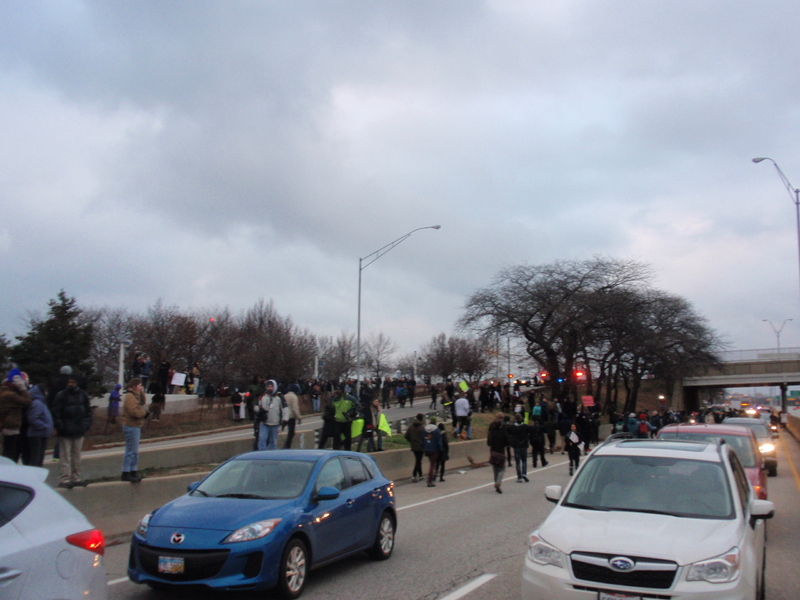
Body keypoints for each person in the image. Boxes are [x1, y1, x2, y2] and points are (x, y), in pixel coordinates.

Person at [51, 376, 93, 488]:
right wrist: (61, 427)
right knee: (65, 456)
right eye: (69, 382)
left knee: (77, 456)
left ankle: (76, 478)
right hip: (65, 432)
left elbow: (88, 412)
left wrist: (86, 425)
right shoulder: (61, 395)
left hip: (79, 431)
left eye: (73, 382)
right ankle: (64, 479)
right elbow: (56, 413)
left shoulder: (83, 395)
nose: (71, 384)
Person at [0, 368, 32, 461]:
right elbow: (28, 401)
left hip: (5, 425)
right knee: (10, 455)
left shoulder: (3, 392)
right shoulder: (11, 395)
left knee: (7, 453)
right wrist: (22, 388)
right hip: (11, 426)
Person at [121, 378, 148, 483]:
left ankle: (133, 470)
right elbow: (135, 411)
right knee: (131, 450)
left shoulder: (135, 396)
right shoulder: (129, 397)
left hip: (136, 426)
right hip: (131, 425)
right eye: (140, 385)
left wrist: (141, 393)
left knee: (135, 451)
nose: (142, 387)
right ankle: (126, 472)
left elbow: (142, 402)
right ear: (134, 386)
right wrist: (144, 413)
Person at [24, 383, 52, 467]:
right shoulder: (37, 403)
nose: (47, 393)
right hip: (36, 434)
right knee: (36, 459)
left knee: (39, 459)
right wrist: (44, 426)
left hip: (41, 434)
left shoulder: (41, 402)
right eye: (45, 391)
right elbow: (33, 419)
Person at [257, 380, 288, 451]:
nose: (270, 388)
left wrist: (285, 420)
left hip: (275, 423)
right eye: (268, 387)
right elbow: (257, 406)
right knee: (262, 438)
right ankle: (261, 454)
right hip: (265, 423)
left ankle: (271, 455)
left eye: (271, 387)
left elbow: (285, 408)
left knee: (273, 441)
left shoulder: (279, 397)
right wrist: (260, 411)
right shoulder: (263, 396)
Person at [487, 413, 510, 494]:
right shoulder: (503, 432)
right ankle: (498, 482)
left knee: (495, 469)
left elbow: (488, 443)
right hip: (501, 452)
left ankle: (496, 483)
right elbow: (507, 442)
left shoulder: (491, 432)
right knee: (502, 469)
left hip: (493, 451)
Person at [509, 412, 531, 482]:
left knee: (517, 462)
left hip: (516, 446)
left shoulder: (512, 427)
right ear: (521, 419)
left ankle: (519, 476)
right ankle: (524, 473)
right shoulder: (525, 426)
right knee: (524, 460)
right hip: (524, 445)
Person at [422, 416, 443, 487]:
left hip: (427, 449)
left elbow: (422, 440)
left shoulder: (425, 430)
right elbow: (439, 441)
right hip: (434, 449)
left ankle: (430, 477)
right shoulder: (437, 430)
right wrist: (441, 449)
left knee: (431, 463)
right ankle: (430, 480)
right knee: (432, 465)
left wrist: (424, 447)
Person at [404, 413, 425, 482]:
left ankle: (421, 475)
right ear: (421, 419)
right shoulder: (422, 427)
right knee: (418, 461)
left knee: (418, 460)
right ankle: (414, 475)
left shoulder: (411, 426)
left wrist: (411, 441)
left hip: (413, 446)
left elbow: (406, 436)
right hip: (421, 446)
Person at [282, 383, 302, 448]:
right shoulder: (294, 397)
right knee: (291, 433)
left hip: (285, 416)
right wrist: (299, 417)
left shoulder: (285, 396)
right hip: (291, 417)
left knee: (284, 430)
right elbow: (294, 408)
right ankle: (287, 446)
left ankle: (286, 446)